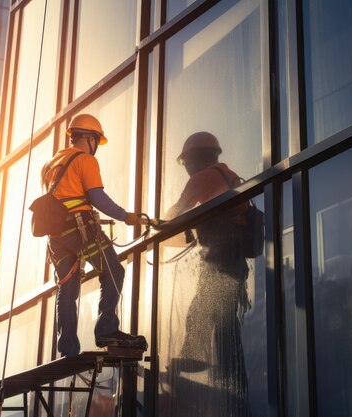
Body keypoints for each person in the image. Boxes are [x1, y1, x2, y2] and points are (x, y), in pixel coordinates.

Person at [42, 113, 147, 357]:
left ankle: (67, 348)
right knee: (113, 272)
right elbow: (97, 197)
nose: (96, 147)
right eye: (96, 141)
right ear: (90, 138)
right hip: (82, 230)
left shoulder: (51, 164)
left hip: (56, 238)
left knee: (68, 288)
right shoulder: (85, 160)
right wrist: (126, 216)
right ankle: (107, 329)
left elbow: (62, 200)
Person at [166, 131, 250, 415]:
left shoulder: (203, 178)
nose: (187, 167)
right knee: (226, 325)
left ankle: (195, 356)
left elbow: (178, 211)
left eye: (187, 161)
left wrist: (154, 228)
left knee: (202, 307)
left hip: (221, 256)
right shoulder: (228, 176)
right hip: (233, 259)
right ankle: (232, 380)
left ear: (197, 157)